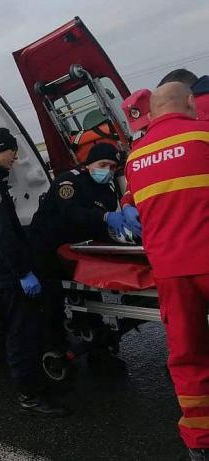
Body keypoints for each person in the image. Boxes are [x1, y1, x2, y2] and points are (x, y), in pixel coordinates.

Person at [122, 81, 209, 460]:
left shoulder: (135, 157)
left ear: (153, 113)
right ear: (191, 102)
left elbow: (134, 204)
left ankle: (199, 442)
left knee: (187, 355)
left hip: (170, 272)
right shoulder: (203, 134)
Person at [0, 127, 67, 417]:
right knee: (22, 338)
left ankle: (33, 389)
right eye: (12, 150)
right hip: (6, 279)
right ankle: (31, 396)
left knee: (20, 335)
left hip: (1, 277)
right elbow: (1, 235)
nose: (15, 157)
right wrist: (23, 272)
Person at [29, 143, 125, 353]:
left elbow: (100, 228)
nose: (107, 171)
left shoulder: (106, 191)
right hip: (48, 247)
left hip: (77, 248)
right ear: (89, 164)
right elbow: (71, 214)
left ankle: (91, 330)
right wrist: (105, 217)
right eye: (103, 165)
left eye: (112, 167)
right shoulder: (69, 181)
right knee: (53, 299)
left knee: (89, 289)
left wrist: (118, 245)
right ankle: (55, 346)